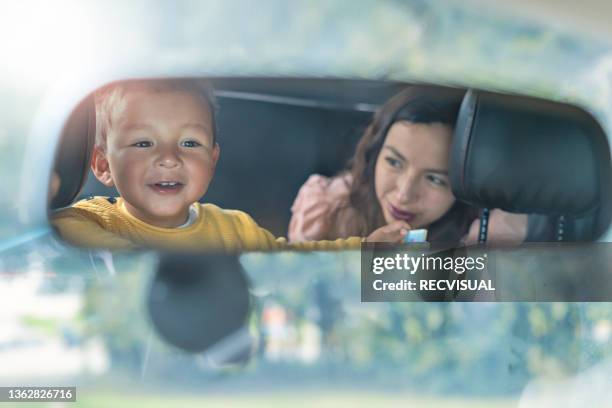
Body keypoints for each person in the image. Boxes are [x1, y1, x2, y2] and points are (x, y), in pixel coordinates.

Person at [51, 79, 409, 251]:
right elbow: (59, 224)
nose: (169, 158)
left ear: (212, 160)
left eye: (190, 143)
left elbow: (294, 256)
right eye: (143, 143)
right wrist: (146, 258)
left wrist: (365, 248)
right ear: (102, 166)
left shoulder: (235, 229)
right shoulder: (96, 220)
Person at [289, 87, 532, 245]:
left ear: (465, 183)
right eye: (394, 162)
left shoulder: (487, 234)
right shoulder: (328, 207)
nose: (404, 194)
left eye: (435, 179)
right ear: (375, 153)